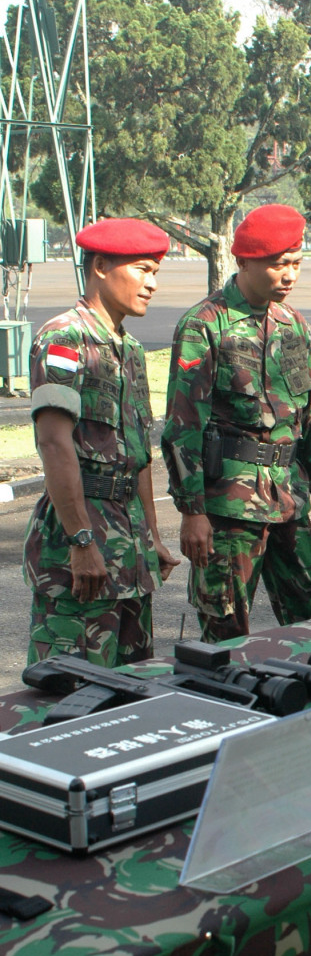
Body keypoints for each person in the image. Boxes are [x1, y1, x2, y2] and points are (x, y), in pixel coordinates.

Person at [162, 204, 311, 642]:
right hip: (228, 509)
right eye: (278, 264)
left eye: (296, 263)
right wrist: (192, 511)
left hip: (289, 499)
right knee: (225, 634)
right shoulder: (205, 325)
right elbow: (184, 427)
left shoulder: (292, 323)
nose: (289, 275)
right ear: (243, 261)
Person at [23, 218, 179, 668]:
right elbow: (54, 444)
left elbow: (138, 455)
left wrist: (151, 537)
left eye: (156, 274)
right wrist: (81, 540)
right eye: (143, 270)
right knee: (68, 695)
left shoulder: (128, 349)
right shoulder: (64, 339)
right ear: (101, 265)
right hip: (81, 546)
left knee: (130, 692)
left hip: (127, 550)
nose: (152, 284)